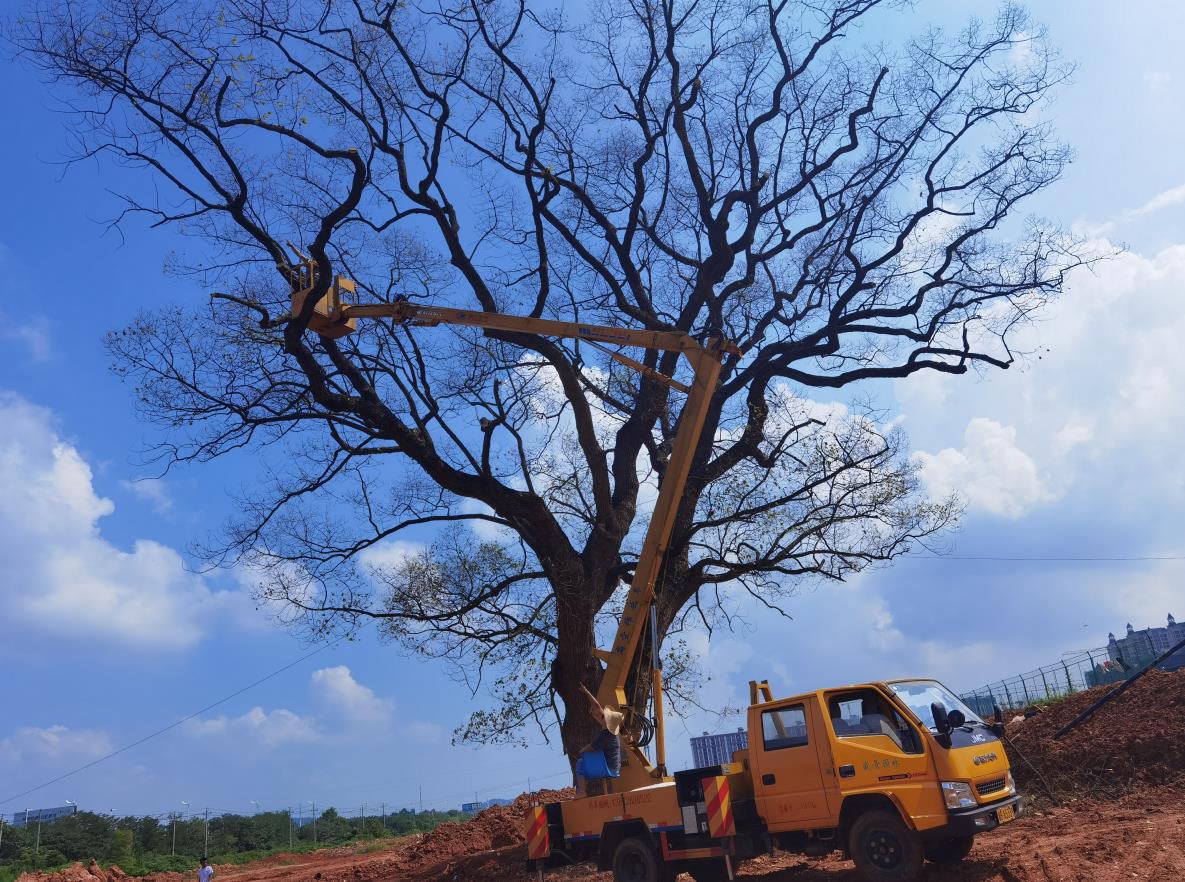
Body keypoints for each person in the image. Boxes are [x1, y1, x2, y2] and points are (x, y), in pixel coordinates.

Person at [574, 684, 623, 796]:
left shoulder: (605, 735)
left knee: (581, 762)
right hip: (614, 767)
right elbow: (597, 706)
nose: (601, 716)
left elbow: (589, 749)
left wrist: (580, 751)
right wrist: (586, 692)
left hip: (609, 767)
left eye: (604, 717)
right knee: (585, 762)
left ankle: (581, 791)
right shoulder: (611, 732)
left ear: (606, 721)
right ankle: (581, 790)